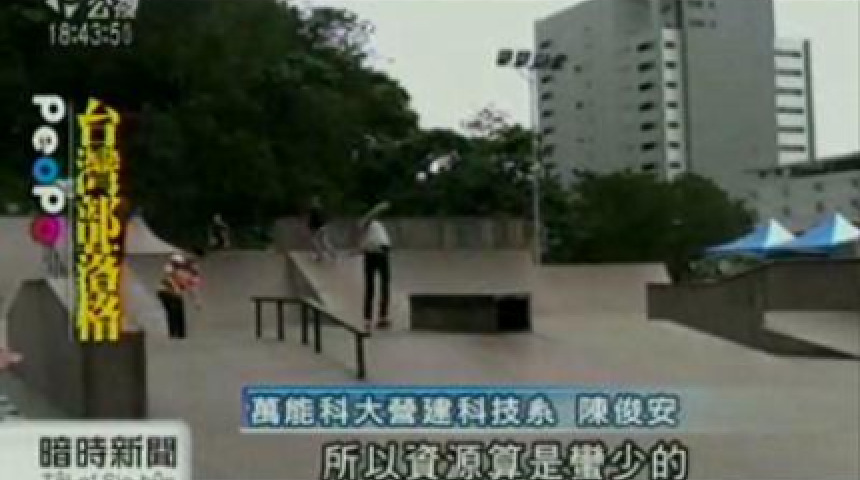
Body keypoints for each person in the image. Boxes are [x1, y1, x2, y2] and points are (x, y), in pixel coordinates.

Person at [356, 201, 392, 331]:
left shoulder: (377, 224)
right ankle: (368, 318)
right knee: (371, 286)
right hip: (374, 253)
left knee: (384, 285)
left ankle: (382, 317)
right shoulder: (365, 222)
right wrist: (378, 208)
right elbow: (367, 218)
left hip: (381, 252)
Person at [157, 253, 201, 339]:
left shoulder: (189, 275)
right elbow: (172, 278)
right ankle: (177, 333)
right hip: (166, 292)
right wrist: (176, 288)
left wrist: (196, 300)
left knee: (174, 311)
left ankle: (177, 333)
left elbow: (192, 288)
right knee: (174, 310)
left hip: (166, 292)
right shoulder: (180, 271)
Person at [308, 196, 336, 262]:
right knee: (324, 241)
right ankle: (333, 254)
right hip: (323, 226)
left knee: (315, 241)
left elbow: (313, 220)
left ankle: (320, 256)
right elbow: (324, 218)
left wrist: (311, 227)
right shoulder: (321, 208)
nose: (312, 203)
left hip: (319, 227)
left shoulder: (314, 210)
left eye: (313, 202)